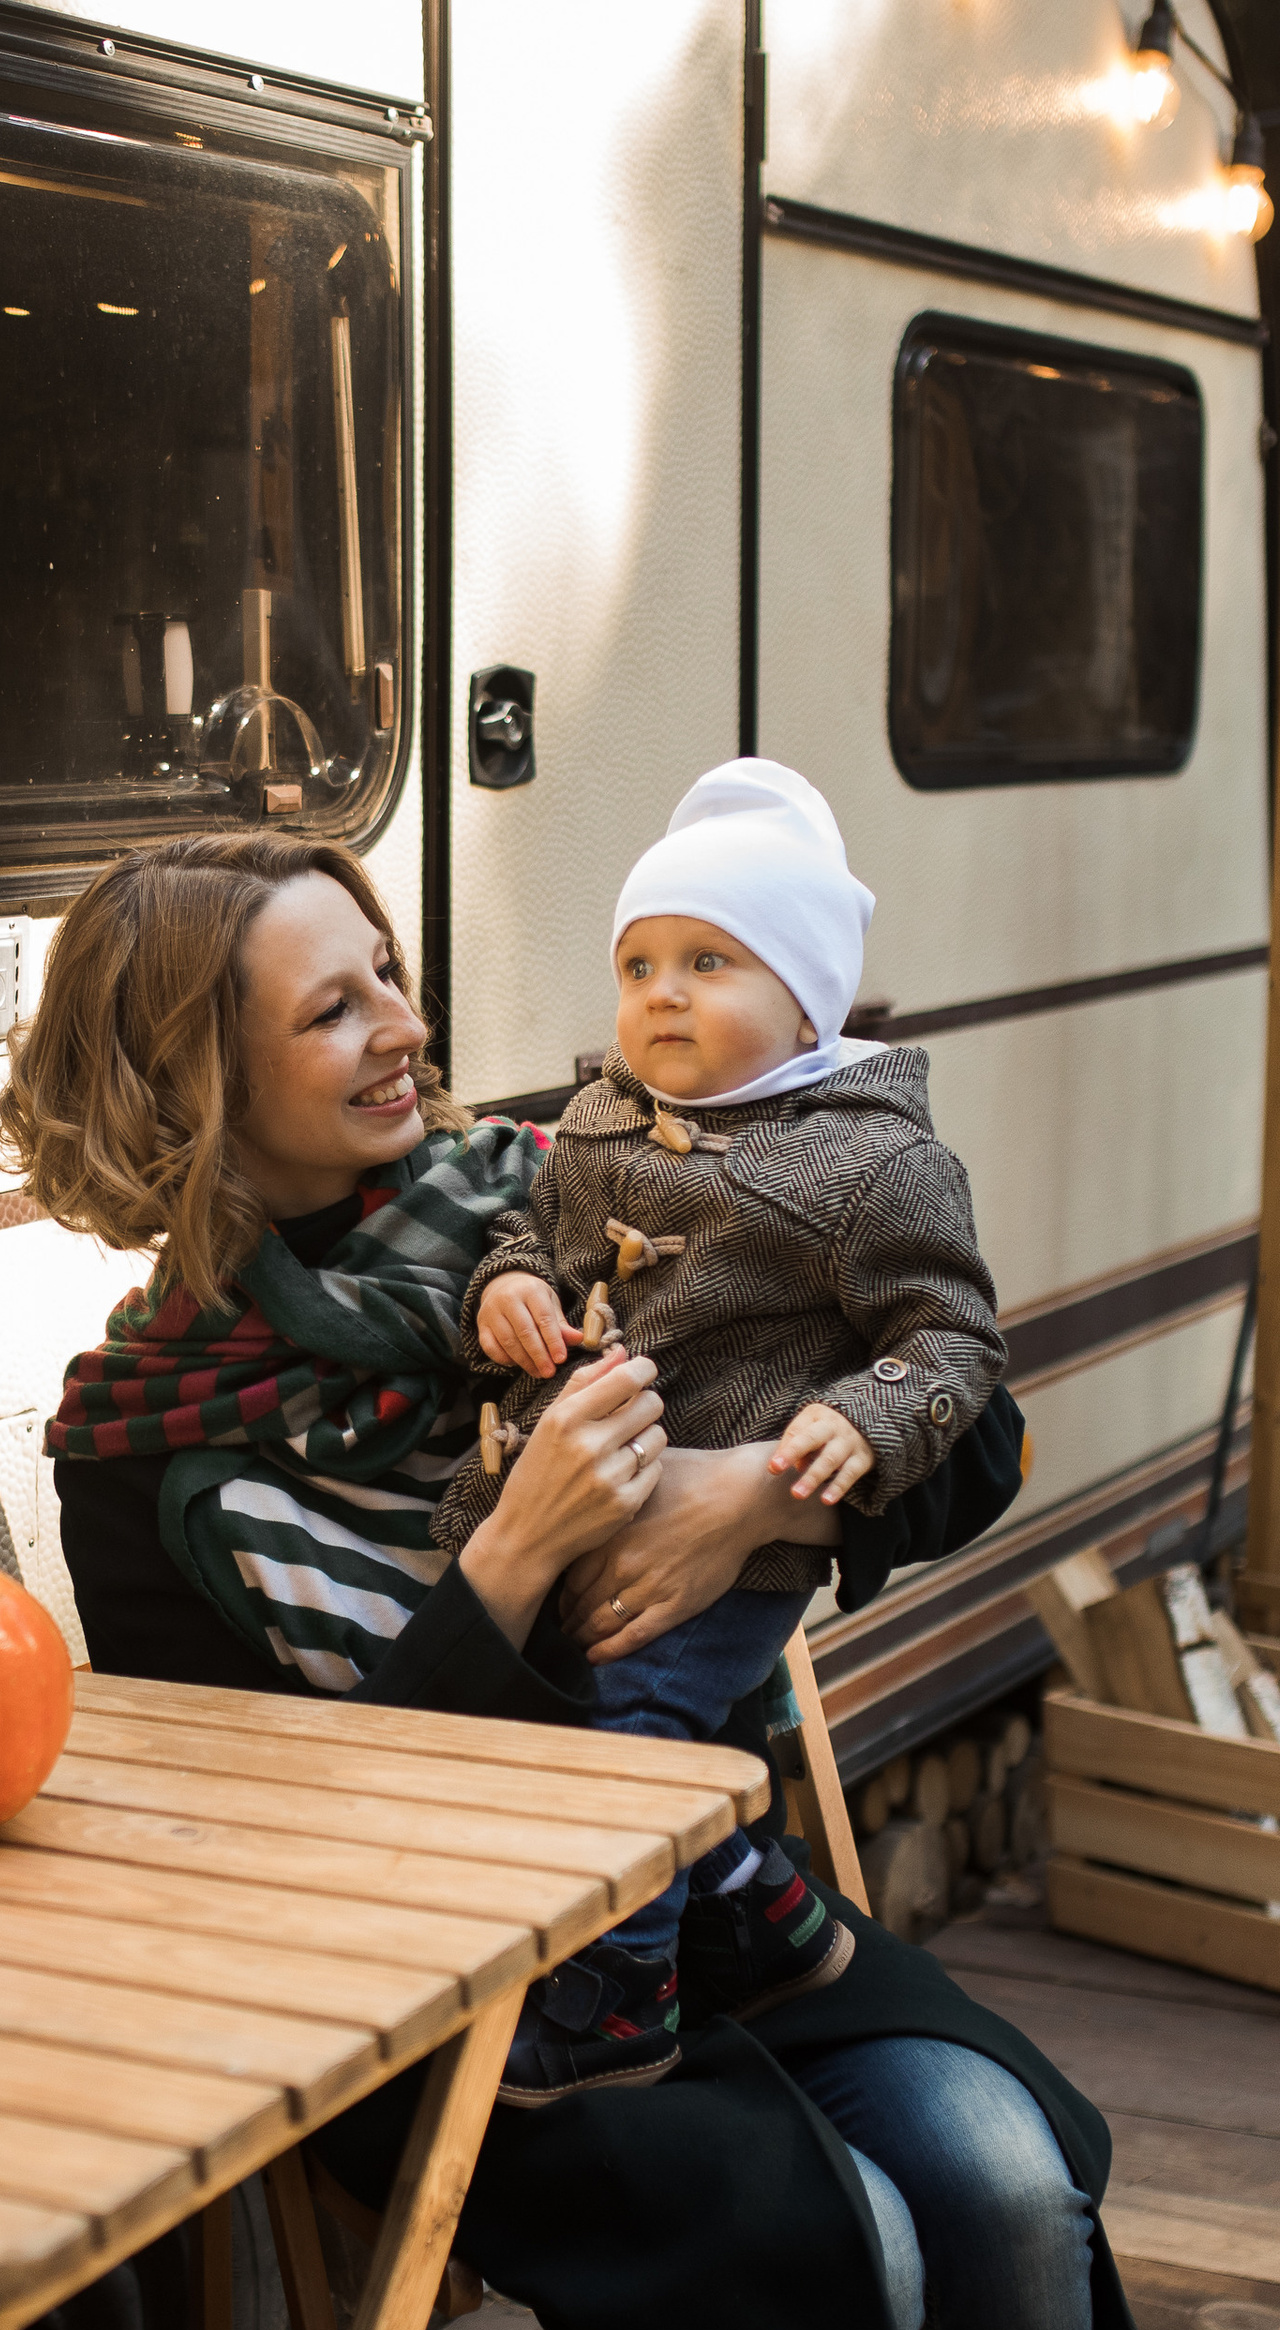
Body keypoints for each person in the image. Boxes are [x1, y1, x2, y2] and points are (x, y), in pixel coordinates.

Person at [0, 828, 1128, 2330]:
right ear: (198, 1086)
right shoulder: (149, 1447)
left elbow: (979, 1443)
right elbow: (273, 1828)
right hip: (449, 2011)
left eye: (387, 970)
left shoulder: (593, 1194)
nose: (403, 1025)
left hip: (720, 1902)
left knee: (1005, 2182)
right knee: (854, 2257)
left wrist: (754, 1493)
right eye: (332, 1009)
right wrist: (511, 1564)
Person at [433, 760, 1007, 2097]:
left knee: (634, 1738)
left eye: (709, 961)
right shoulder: (596, 1126)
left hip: (732, 1557)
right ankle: (752, 1890)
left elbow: (956, 1337)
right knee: (587, 1723)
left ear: (808, 999)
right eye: (638, 965)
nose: (663, 995)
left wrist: (853, 1430)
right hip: (582, 1501)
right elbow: (536, 1236)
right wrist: (506, 1287)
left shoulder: (873, 1164)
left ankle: (615, 2002)